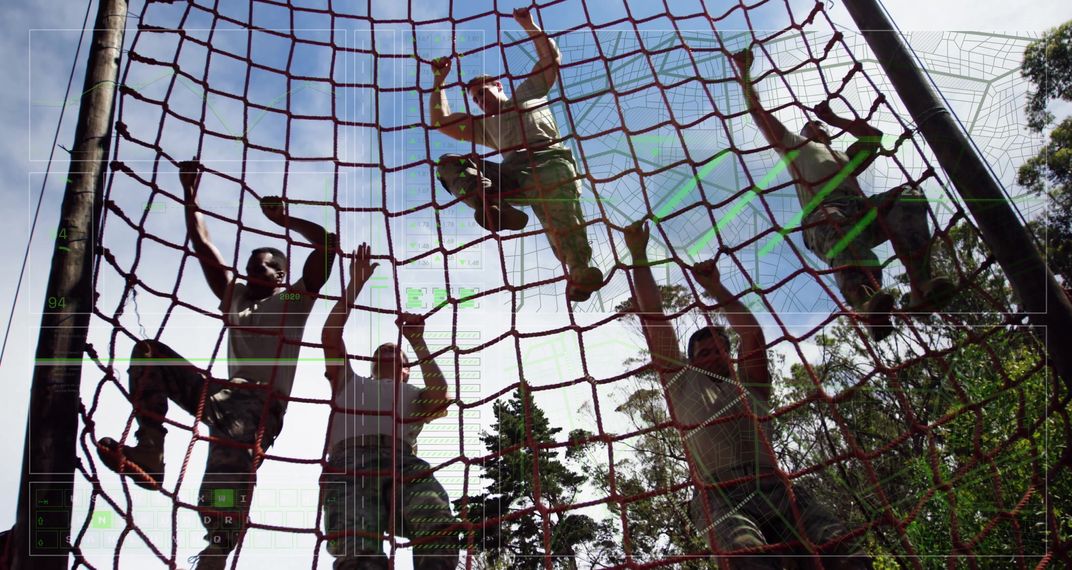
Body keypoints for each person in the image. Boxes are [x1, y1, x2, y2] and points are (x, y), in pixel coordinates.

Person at [95, 159, 337, 569]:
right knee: (150, 353)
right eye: (248, 267)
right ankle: (151, 449)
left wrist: (285, 220)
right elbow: (205, 247)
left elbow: (328, 246)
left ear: (281, 276)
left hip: (259, 406)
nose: (251, 271)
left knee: (225, 476)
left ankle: (218, 546)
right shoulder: (236, 299)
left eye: (263, 266)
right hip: (224, 395)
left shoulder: (292, 301)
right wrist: (190, 195)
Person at [622, 219, 868, 568]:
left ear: (730, 355)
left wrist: (715, 287)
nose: (712, 356)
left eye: (719, 349)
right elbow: (653, 317)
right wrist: (638, 256)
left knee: (841, 549)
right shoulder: (681, 383)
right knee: (746, 557)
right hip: (719, 494)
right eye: (703, 353)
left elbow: (752, 335)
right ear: (691, 361)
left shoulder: (751, 386)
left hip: (774, 486)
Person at [732, 48, 955, 340]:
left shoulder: (845, 157)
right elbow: (758, 113)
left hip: (860, 209)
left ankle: (920, 287)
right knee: (836, 223)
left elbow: (873, 138)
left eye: (820, 126)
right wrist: (745, 74)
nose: (816, 127)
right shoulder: (795, 147)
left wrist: (834, 118)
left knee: (908, 195)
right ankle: (866, 302)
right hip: (824, 213)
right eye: (811, 125)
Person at [428, 6, 604, 303]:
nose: (479, 100)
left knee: (560, 218)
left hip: (548, 162)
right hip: (512, 174)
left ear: (498, 85)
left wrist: (528, 24)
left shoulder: (528, 93)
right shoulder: (484, 126)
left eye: (482, 92)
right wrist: (439, 81)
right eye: (475, 99)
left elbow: (551, 59)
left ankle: (578, 271)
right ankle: (492, 206)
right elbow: (440, 120)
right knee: (448, 164)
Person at [319, 243, 457, 569]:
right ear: (371, 365)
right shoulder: (350, 382)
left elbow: (440, 393)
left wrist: (417, 341)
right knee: (358, 550)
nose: (389, 350)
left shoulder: (412, 394)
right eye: (381, 350)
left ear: (407, 369)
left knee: (436, 520)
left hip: (401, 463)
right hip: (350, 464)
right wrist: (355, 285)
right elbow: (330, 336)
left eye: (398, 353)